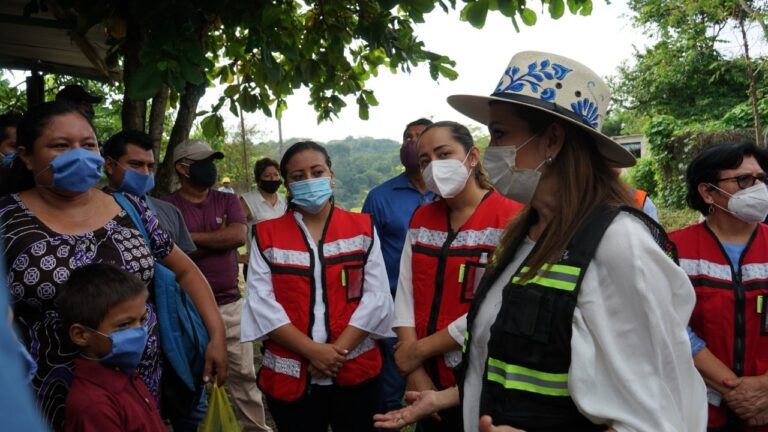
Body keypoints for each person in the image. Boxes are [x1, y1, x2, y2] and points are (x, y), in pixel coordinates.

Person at [375, 51, 706, 432]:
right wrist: (448, 397)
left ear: (552, 140)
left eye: (500, 133)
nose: (492, 149)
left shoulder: (618, 244)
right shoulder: (526, 234)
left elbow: (660, 416)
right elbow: (520, 368)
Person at [0, 101, 227, 430]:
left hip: (140, 384)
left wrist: (216, 335)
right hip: (49, 396)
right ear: (26, 155)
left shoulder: (130, 207)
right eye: (61, 146)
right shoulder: (7, 218)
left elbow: (186, 269)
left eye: (88, 144)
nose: (78, 154)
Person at [241, 140, 394, 432]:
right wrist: (313, 351)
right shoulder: (265, 234)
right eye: (298, 177)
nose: (309, 181)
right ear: (287, 184)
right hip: (290, 376)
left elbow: (376, 297)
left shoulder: (362, 227)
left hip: (355, 370)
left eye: (317, 171)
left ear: (331, 176)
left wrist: (335, 352)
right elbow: (261, 302)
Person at [392, 120, 523, 432]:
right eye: (425, 161)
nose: (434, 166)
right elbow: (405, 294)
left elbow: (499, 305)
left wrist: (417, 352)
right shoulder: (422, 218)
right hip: (426, 380)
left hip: (485, 374)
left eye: (444, 154)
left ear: (472, 156)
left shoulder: (512, 217)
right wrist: (415, 370)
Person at [164, 140, 271, 432]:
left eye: (211, 160)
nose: (210, 167)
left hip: (230, 305)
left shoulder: (227, 200)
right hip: (185, 310)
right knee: (190, 381)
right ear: (182, 168)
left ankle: (256, 428)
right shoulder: (168, 207)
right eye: (202, 162)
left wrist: (185, 241)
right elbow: (167, 254)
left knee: (245, 379)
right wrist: (214, 239)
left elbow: (236, 237)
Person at [101, 129, 205, 431]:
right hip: (117, 343)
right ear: (110, 165)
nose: (145, 173)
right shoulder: (97, 210)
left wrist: (209, 333)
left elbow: (185, 271)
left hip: (171, 334)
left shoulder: (165, 213)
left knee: (182, 410)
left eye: (150, 166)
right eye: (136, 165)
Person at [670, 141, 768, 430]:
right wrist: (734, 390)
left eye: (761, 178)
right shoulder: (674, 248)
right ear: (708, 192)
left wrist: (763, 388)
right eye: (744, 179)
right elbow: (671, 324)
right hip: (700, 410)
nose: (758, 188)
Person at [361, 118, 435, 417]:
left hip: (440, 308)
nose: (412, 143)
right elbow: (365, 257)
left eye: (419, 137)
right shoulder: (380, 197)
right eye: (407, 137)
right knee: (392, 384)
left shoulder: (451, 194)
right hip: (393, 308)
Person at [59, 263, 166, 432]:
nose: (140, 332)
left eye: (143, 320)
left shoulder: (125, 372)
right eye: (124, 325)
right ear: (81, 335)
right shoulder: (94, 405)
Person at [239, 157, 288, 281]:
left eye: (276, 175)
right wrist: (237, 257)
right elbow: (230, 229)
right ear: (258, 179)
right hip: (257, 265)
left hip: (284, 262)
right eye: (267, 176)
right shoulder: (247, 201)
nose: (273, 179)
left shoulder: (284, 200)